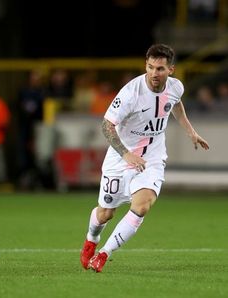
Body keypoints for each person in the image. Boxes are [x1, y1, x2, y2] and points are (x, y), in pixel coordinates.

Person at [79, 44, 210, 273]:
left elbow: (175, 104)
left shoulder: (176, 87)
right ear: (145, 66)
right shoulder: (131, 93)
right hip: (121, 157)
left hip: (152, 158)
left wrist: (191, 132)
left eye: (159, 69)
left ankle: (103, 254)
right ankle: (91, 240)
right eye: (150, 67)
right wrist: (127, 154)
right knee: (105, 212)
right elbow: (106, 125)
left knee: (142, 206)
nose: (153, 73)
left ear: (171, 70)